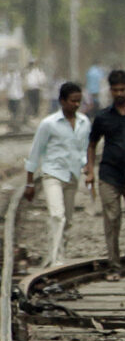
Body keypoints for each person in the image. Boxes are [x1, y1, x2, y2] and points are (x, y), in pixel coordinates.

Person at [86, 69, 125, 281]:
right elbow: (92, 144)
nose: (119, 93)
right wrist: (90, 169)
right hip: (109, 175)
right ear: (110, 90)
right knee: (112, 221)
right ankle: (114, 266)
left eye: (123, 89)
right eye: (115, 90)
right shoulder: (103, 117)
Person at [24, 81, 90, 267]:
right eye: (72, 101)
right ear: (62, 101)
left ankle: (60, 254)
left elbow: (84, 149)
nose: (76, 105)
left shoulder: (84, 123)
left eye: (79, 101)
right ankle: (55, 261)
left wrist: (87, 167)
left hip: (72, 175)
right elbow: (35, 153)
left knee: (67, 220)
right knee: (56, 215)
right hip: (52, 174)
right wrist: (29, 183)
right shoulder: (48, 124)